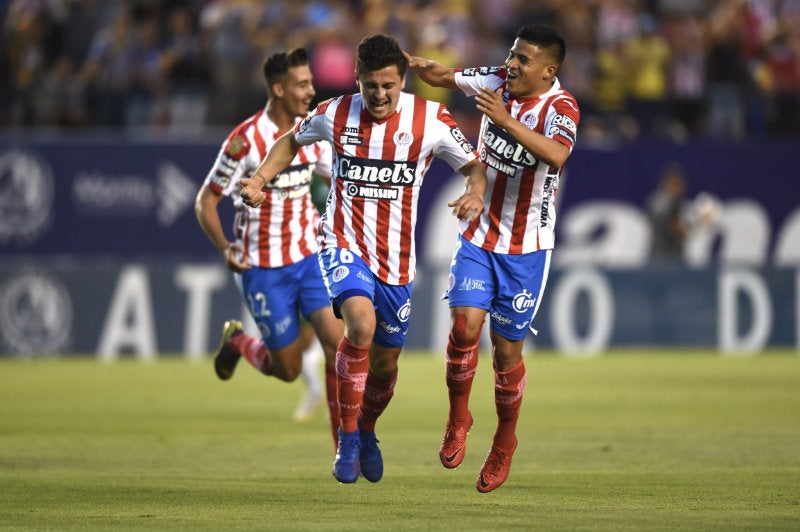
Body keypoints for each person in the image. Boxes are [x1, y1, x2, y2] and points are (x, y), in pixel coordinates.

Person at [240, 34, 487, 484]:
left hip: (397, 258)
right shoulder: (334, 113)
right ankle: (348, 438)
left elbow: (473, 165)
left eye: (388, 86)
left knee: (386, 364)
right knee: (360, 326)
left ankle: (368, 430)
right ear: (357, 80)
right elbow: (289, 142)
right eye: (370, 85)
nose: (379, 95)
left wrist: (474, 190)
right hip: (342, 241)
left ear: (403, 81)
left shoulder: (431, 119)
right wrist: (259, 179)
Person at [405, 23, 581, 492]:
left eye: (524, 59)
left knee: (506, 356)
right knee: (463, 328)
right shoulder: (497, 80)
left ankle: (504, 441)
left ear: (548, 71)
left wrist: (503, 120)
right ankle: (458, 418)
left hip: (528, 249)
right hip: (480, 236)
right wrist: (410, 63)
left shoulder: (560, 106)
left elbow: (557, 156)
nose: (512, 63)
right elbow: (446, 77)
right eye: (511, 53)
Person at [195, 48, 343, 448]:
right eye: (302, 84)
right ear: (278, 89)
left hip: (310, 257)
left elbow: (333, 183)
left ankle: (343, 449)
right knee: (289, 369)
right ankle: (238, 343)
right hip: (263, 268)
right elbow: (205, 201)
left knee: (338, 342)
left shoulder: (313, 131)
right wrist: (226, 247)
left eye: (311, 82)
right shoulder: (245, 141)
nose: (312, 91)